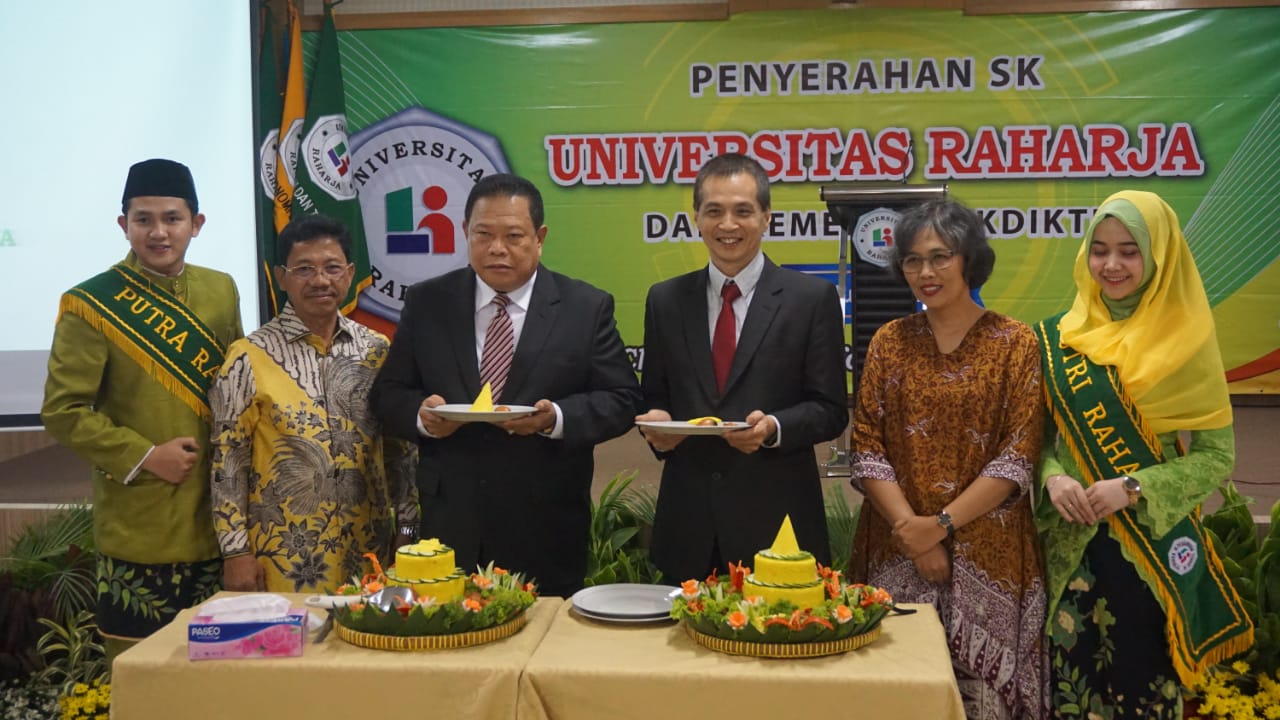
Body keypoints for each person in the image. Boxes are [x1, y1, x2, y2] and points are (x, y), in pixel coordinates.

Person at [1034, 190, 1253, 718]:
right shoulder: (1058, 338)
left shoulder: (1188, 339)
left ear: (1159, 256)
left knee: (1144, 685)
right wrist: (1053, 477)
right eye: (1100, 249)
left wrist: (1131, 487)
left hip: (1151, 548)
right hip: (1070, 544)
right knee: (1070, 687)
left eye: (1130, 250)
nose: (1111, 265)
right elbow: (1036, 439)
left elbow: (1215, 458)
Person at [370, 173, 641, 597]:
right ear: (465, 233)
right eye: (483, 235)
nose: (498, 248)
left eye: (514, 235)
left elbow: (622, 399)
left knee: (542, 652)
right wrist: (423, 417)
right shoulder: (428, 302)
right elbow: (388, 393)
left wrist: (556, 419)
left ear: (540, 237)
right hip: (451, 522)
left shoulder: (584, 307)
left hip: (545, 522)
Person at [847, 199, 1047, 719]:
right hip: (896, 545)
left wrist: (937, 526)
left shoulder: (1016, 342)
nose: (926, 272)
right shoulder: (890, 342)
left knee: (982, 700)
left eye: (940, 256)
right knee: (895, 697)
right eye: (912, 260)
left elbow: (1017, 456)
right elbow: (867, 445)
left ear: (969, 259)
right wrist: (911, 532)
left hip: (991, 551)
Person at [41, 159, 243, 659]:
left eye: (172, 218)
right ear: (122, 225)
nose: (158, 232)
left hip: (221, 523)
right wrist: (146, 454)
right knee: (146, 680)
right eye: (143, 219)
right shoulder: (90, 303)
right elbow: (63, 411)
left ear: (196, 223)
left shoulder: (221, 289)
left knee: (223, 684)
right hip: (141, 527)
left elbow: (236, 390)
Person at [636, 153, 848, 583]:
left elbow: (830, 409)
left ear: (767, 217)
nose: (727, 225)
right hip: (688, 522)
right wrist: (657, 423)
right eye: (714, 211)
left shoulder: (811, 299)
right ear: (697, 218)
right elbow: (655, 395)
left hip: (777, 522)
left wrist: (772, 427)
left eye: (743, 211)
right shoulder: (665, 300)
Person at [209, 214, 418, 593]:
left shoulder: (378, 350)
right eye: (304, 269)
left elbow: (400, 454)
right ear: (280, 277)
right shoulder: (247, 357)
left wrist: (406, 530)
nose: (320, 280)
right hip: (282, 563)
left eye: (332, 268)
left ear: (350, 273)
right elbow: (228, 461)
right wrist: (235, 552)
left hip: (370, 558)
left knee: (368, 649)